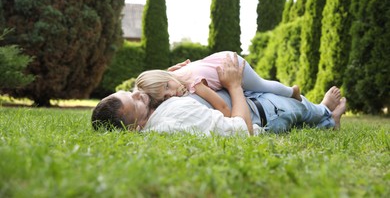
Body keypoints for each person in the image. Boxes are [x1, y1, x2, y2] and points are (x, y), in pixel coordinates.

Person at [91, 53, 347, 136]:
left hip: (250, 99)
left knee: (301, 104)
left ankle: (324, 112)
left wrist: (172, 76)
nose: (138, 94)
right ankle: (327, 116)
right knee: (302, 109)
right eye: (134, 101)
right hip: (264, 112)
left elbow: (153, 87)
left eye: (130, 92)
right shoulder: (175, 118)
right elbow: (242, 130)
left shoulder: (154, 104)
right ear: (135, 127)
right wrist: (234, 85)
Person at [135, 51, 301, 117]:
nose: (171, 94)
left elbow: (222, 107)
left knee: (262, 86)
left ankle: (292, 91)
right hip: (217, 60)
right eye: (165, 97)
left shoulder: (194, 84)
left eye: (167, 87)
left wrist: (229, 121)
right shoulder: (175, 76)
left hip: (231, 64)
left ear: (166, 76)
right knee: (257, 90)